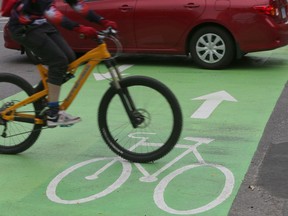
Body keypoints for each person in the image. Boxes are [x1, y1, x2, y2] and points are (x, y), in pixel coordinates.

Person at [7, 0, 117, 127]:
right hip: (23, 28)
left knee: (70, 59)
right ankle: (53, 114)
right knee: (58, 62)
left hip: (41, 25)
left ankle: (39, 98)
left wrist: (103, 21)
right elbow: (52, 13)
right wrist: (80, 28)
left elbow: (78, 5)